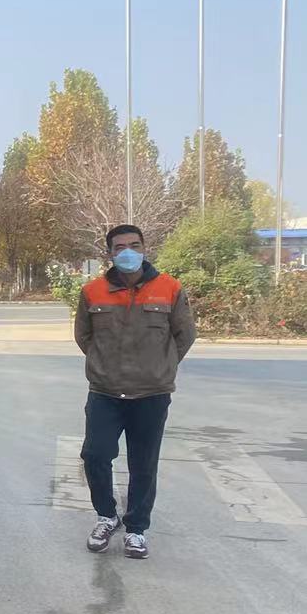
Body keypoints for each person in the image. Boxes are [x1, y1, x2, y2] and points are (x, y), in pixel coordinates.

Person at [74, 224, 196, 560]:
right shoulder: (93, 291)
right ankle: (106, 516)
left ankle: (137, 529)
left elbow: (184, 335)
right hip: (105, 392)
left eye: (134, 245)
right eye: (120, 247)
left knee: (143, 463)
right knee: (95, 455)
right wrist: (104, 365)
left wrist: (160, 366)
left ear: (144, 248)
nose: (128, 252)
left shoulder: (169, 288)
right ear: (110, 253)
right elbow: (84, 336)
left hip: (151, 394)